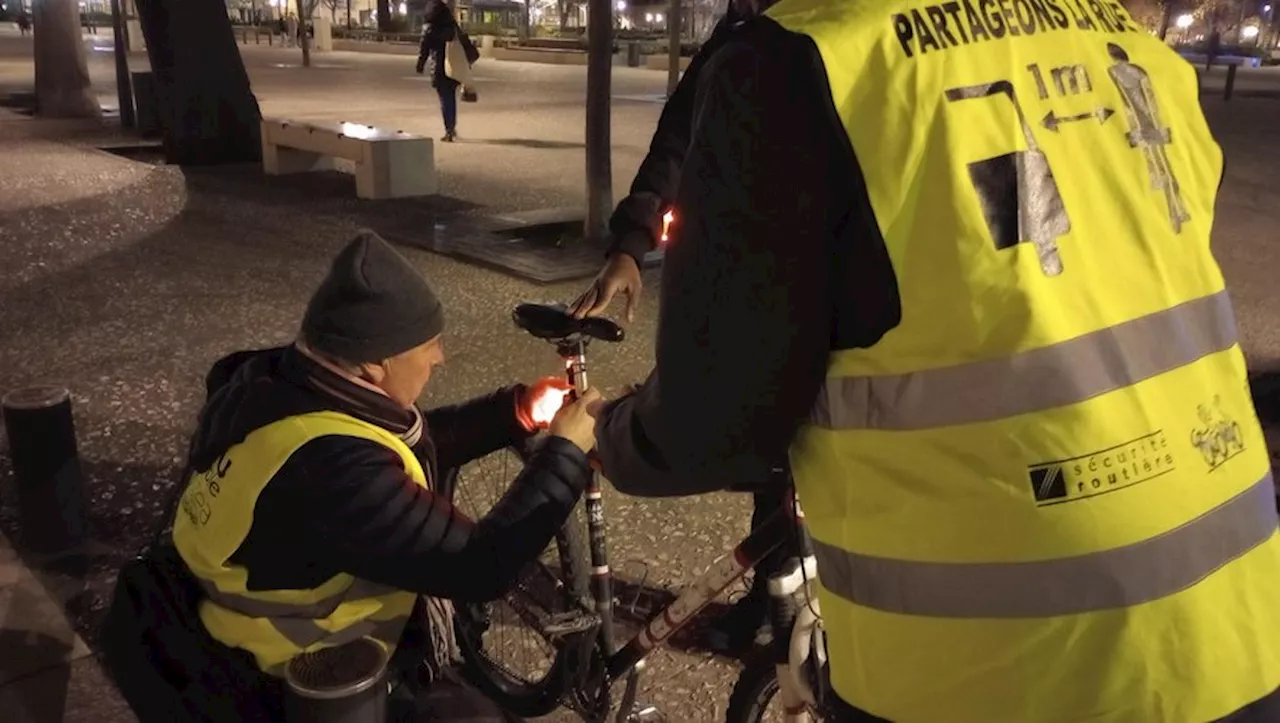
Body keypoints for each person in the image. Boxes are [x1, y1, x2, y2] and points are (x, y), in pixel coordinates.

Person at [591, 0, 1280, 720]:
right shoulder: (1125, 40)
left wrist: (610, 433)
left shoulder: (805, 61)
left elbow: (712, 422)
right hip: (1238, 629)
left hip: (1006, 665)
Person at [171, 231, 603, 720]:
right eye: (430, 344)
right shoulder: (329, 472)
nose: (441, 358)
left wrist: (516, 411)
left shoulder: (279, 384)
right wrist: (566, 452)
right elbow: (480, 567)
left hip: (233, 628)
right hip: (284, 681)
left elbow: (394, 450)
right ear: (375, 364)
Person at [570, 0, 784, 657]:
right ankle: (773, 601)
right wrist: (631, 245)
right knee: (778, 464)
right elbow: (679, 135)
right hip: (764, 286)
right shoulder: (745, 27)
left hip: (848, 280)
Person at [417, 0, 476, 143]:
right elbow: (464, 42)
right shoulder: (452, 26)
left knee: (445, 98)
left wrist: (420, 64)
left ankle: (449, 129)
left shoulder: (429, 27)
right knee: (450, 96)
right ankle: (451, 127)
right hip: (454, 64)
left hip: (439, 66)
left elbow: (424, 47)